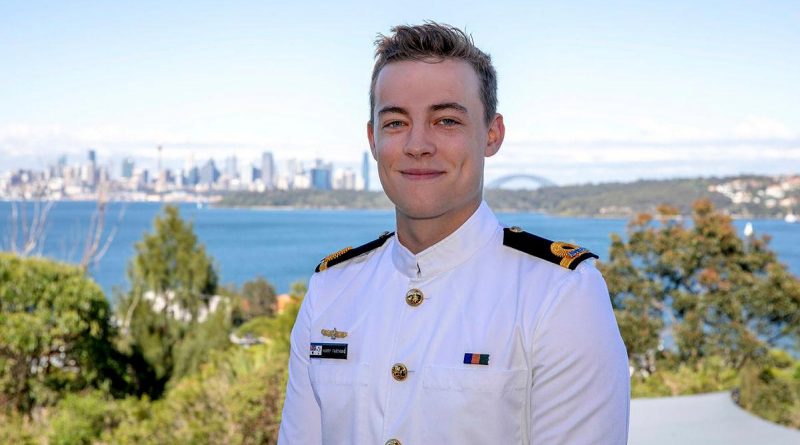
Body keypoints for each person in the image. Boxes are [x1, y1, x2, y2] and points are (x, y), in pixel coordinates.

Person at [278, 22, 629, 445]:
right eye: (395, 123)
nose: (418, 144)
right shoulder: (330, 290)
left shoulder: (558, 294)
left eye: (446, 120)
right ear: (372, 139)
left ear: (492, 134)